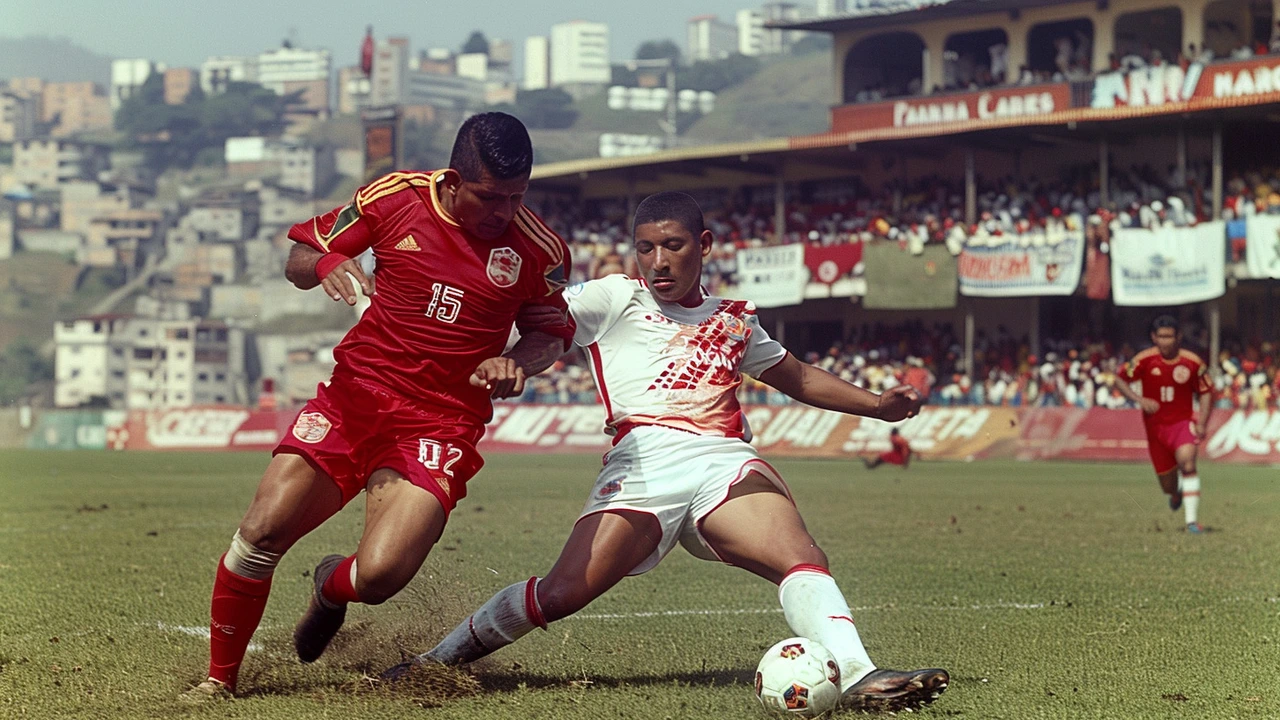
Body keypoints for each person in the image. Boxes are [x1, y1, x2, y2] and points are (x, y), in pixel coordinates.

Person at [383, 191, 949, 712]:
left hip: (722, 460)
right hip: (644, 463)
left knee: (801, 556)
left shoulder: (734, 320)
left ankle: (856, 673)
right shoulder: (613, 295)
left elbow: (796, 376)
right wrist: (516, 364)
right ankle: (434, 662)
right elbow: (547, 332)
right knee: (562, 593)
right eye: (645, 248)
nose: (657, 261)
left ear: (702, 246)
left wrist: (878, 406)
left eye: (672, 246)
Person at [181, 113, 574, 701]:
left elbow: (551, 331)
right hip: (356, 399)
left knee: (383, 576)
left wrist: (518, 360)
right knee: (260, 532)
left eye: (516, 197)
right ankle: (219, 681)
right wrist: (327, 262)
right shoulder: (395, 198)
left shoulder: (538, 248)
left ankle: (331, 587)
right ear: (453, 179)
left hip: (443, 420)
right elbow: (298, 257)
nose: (503, 211)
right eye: (490, 197)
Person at [1113, 315, 1213, 533]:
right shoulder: (1143, 360)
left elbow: (1206, 392)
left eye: (1169, 336)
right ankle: (1176, 494)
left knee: (1188, 463)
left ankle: (1191, 522)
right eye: (1161, 337)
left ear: (1179, 337)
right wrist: (1139, 399)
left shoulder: (1193, 363)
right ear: (1154, 338)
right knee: (1167, 485)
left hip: (1182, 424)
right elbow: (1119, 379)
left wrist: (1202, 422)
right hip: (1156, 430)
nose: (1165, 341)